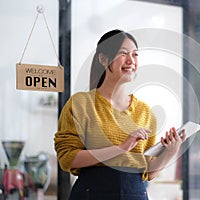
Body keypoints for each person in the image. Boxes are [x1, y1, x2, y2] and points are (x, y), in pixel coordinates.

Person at [54, 29, 186, 200]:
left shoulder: (145, 112)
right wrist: (121, 148)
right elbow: (67, 158)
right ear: (103, 59)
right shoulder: (81, 104)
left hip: (135, 194)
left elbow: (149, 172)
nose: (131, 60)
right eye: (123, 53)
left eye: (135, 54)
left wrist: (170, 152)